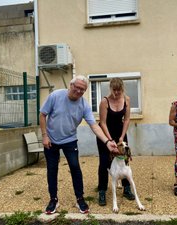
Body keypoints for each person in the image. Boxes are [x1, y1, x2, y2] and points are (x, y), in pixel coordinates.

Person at [39, 75, 118, 214]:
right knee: (52, 170)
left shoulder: (84, 105)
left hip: (70, 140)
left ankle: (80, 198)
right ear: (71, 85)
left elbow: (94, 125)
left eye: (83, 90)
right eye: (78, 88)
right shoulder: (56, 96)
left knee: (75, 168)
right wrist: (44, 136)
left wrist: (107, 142)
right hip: (50, 139)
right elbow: (42, 114)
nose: (80, 91)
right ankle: (53, 199)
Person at [96, 77, 135, 206]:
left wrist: (122, 136)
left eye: (119, 90)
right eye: (114, 90)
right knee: (104, 162)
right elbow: (102, 123)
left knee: (125, 159)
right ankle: (102, 190)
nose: (117, 93)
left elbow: (127, 119)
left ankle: (127, 188)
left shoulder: (127, 99)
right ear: (111, 88)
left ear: (122, 88)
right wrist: (109, 140)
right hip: (105, 134)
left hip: (120, 133)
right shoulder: (105, 101)